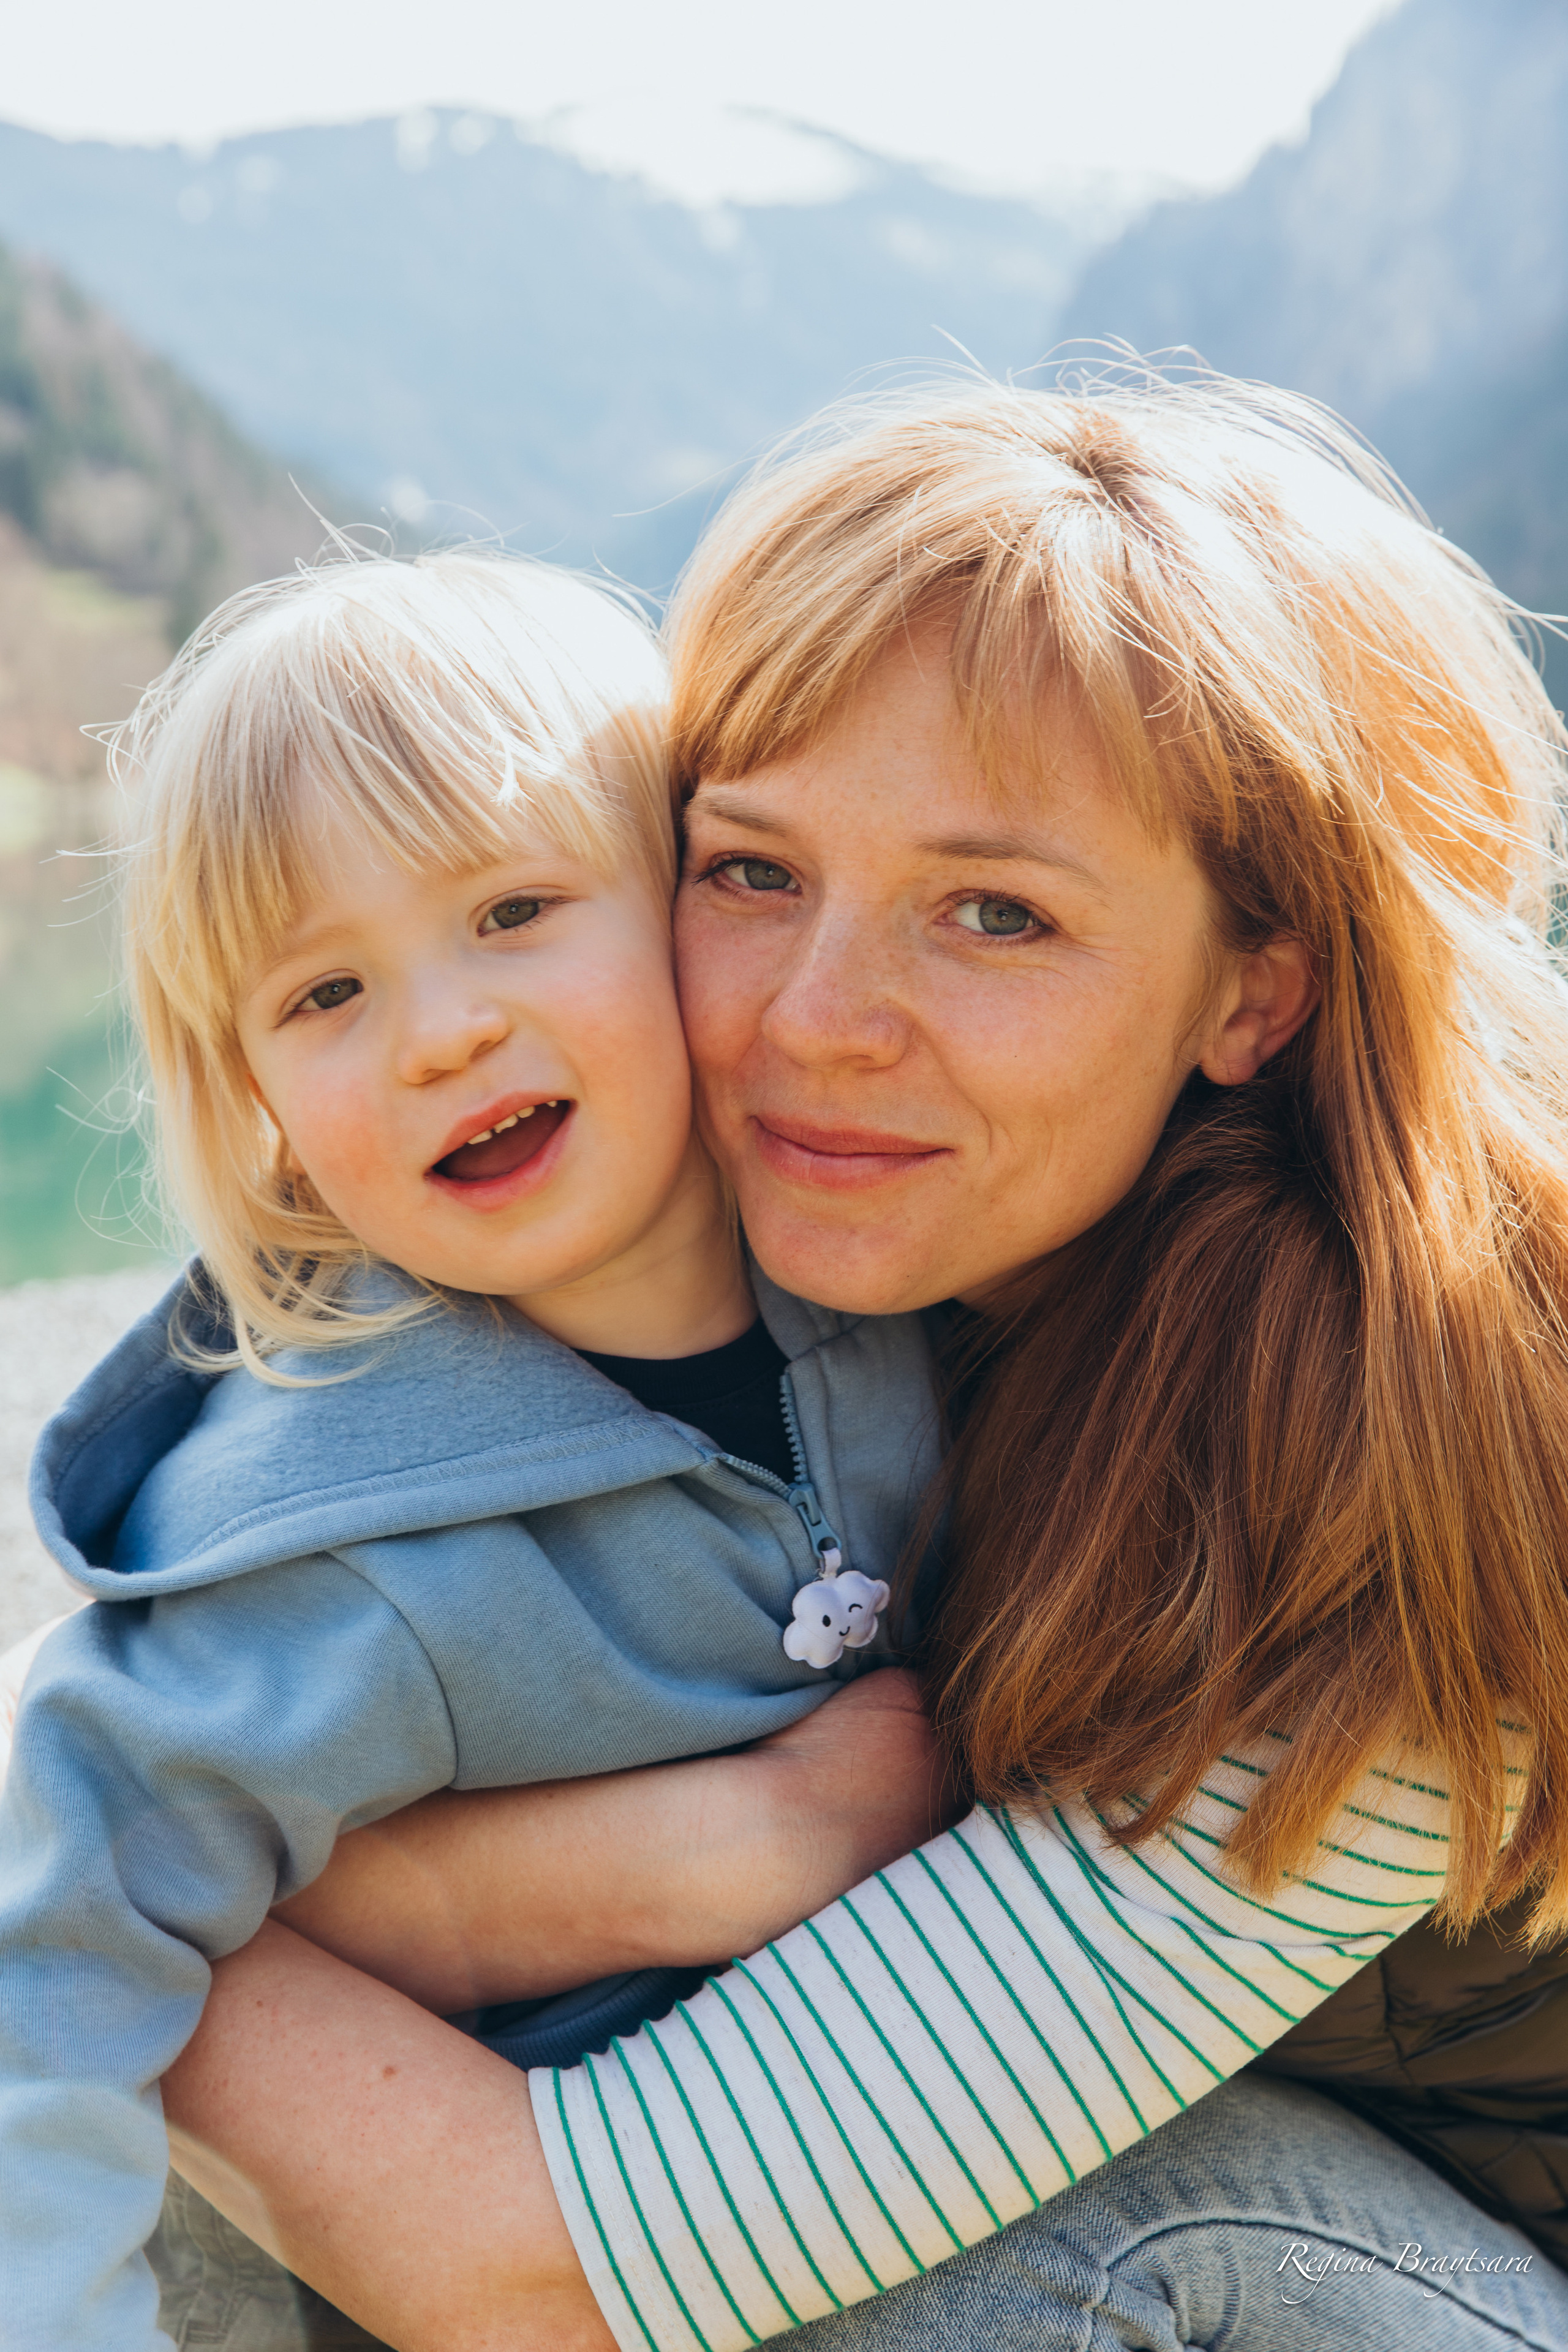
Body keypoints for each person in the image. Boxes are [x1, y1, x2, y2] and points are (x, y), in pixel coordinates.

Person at [145, 374, 1568, 2352]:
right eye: (751, 871)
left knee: (962, 2275)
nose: (820, 1019)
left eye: (996, 914)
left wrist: (104, 1918)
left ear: (1257, 991)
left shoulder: (1418, 1462)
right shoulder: (754, 1243)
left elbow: (542, 2258)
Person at [0, 549, 957, 2351]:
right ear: (263, 1111)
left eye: (514, 911)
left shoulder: (900, 1273)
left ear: (691, 910)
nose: (444, 1030)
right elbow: (43, 1924)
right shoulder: (334, 1552)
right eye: (323, 997)